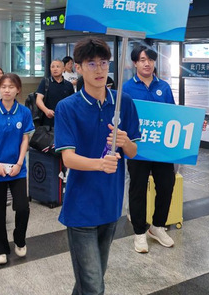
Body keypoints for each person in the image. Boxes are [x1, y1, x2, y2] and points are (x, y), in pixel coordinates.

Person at [54, 37, 140, 294]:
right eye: (92, 64)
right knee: (93, 285)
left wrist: (124, 142)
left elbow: (134, 152)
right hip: (81, 207)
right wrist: (101, 164)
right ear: (78, 68)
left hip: (111, 204)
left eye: (104, 63)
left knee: (91, 279)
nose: (100, 69)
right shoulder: (67, 107)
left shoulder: (124, 102)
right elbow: (68, 158)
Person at [123, 46, 177, 253]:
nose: (147, 64)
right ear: (135, 63)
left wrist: (196, 124)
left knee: (167, 184)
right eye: (143, 60)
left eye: (151, 60)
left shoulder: (164, 87)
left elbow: (174, 115)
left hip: (161, 148)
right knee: (138, 188)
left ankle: (157, 226)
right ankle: (139, 232)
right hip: (137, 148)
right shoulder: (127, 88)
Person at [0, 73, 34, 265]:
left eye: (11, 87)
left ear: (18, 89)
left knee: (23, 207)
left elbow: (25, 139)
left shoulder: (24, 112)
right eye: (3, 87)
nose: (7, 90)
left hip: (18, 168)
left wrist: (19, 163)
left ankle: (19, 239)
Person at [35, 60, 74, 128]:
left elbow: (72, 103)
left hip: (64, 121)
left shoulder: (69, 85)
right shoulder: (45, 82)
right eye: (52, 67)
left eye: (57, 67)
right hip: (48, 122)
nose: (55, 69)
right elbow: (38, 100)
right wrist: (46, 110)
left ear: (63, 69)